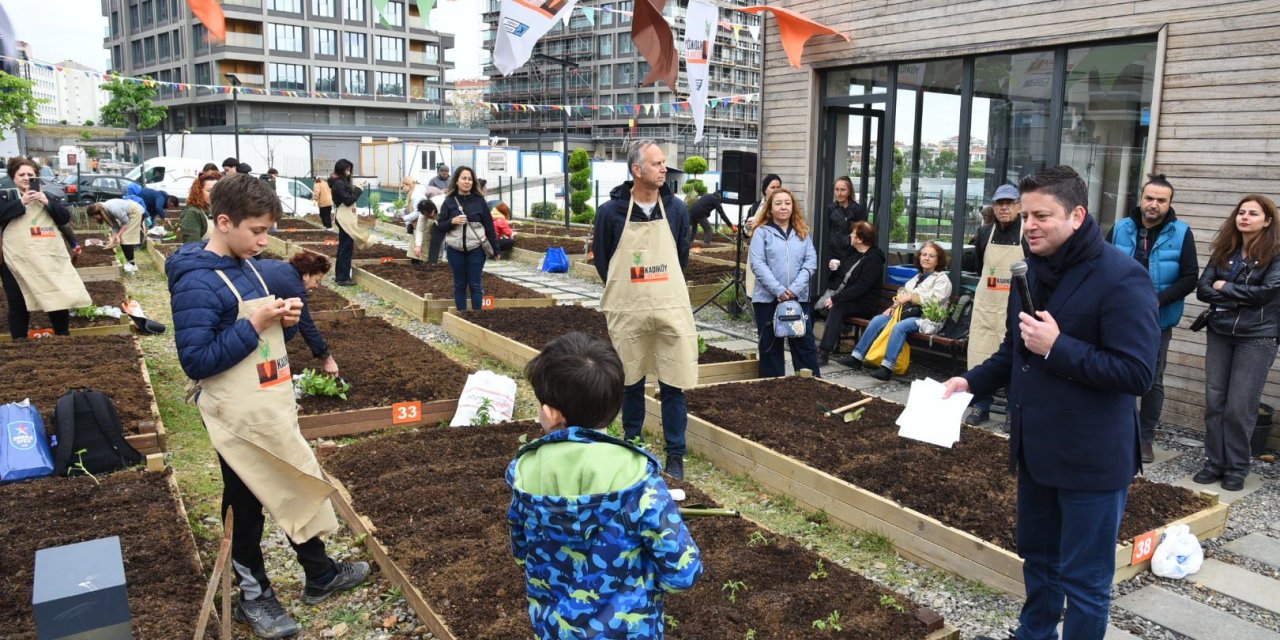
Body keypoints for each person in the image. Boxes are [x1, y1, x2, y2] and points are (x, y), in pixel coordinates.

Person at [947, 166, 1158, 640]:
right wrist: (970, 382)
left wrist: (1059, 346)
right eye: (1025, 216)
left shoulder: (1123, 278)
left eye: (1042, 215)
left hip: (1090, 463)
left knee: (1085, 581)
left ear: (1077, 215)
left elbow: (1137, 373)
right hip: (1037, 455)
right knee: (1039, 564)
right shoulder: (1029, 271)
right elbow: (1014, 349)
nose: (1030, 226)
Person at [167, 174, 369, 638]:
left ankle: (319, 574)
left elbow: (264, 342)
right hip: (236, 417)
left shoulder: (247, 266)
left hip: (270, 404)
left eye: (267, 230)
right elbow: (196, 359)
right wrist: (255, 323)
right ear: (223, 222)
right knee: (246, 502)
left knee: (294, 481)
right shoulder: (197, 283)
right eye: (256, 231)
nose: (264, 240)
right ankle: (254, 596)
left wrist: (286, 322)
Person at [507, 332, 702, 640]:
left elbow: (520, 552)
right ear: (615, 407)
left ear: (550, 414)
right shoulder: (637, 475)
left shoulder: (525, 472)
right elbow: (683, 572)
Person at [593, 139, 696, 480]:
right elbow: (606, 263)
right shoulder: (611, 212)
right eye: (656, 163)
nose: (663, 168)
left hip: (669, 306)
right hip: (630, 308)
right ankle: (633, 444)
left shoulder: (677, 209)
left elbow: (681, 257)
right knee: (631, 381)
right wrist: (631, 291)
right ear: (637, 170)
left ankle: (675, 456)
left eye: (663, 162)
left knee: (673, 382)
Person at [1105, 174, 1198, 462]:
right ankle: (1117, 431)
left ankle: (1145, 438)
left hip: (1158, 320)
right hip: (1117, 317)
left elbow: (1190, 277)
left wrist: (1154, 301)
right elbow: (1100, 265)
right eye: (1149, 198)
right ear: (1141, 198)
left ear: (1169, 203)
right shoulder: (1121, 228)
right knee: (1113, 373)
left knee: (1152, 380)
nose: (1154, 204)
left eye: (1161, 200)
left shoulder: (1181, 233)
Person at [1193, 194, 1280, 493]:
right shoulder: (1224, 250)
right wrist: (1237, 292)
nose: (1244, 217)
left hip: (1257, 337)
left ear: (1267, 221)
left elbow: (1267, 292)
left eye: (1253, 213)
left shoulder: (1276, 254)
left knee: (1239, 408)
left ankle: (1237, 467)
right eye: (1241, 212)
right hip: (1219, 332)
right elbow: (1203, 289)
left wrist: (1226, 286)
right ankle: (1214, 463)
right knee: (1215, 402)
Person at [0, 157, 91, 339]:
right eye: (22, 175)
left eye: (30, 175)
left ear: (37, 177)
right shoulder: (6, 197)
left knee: (56, 295)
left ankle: (62, 336)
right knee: (18, 300)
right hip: (15, 260)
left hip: (47, 257)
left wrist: (47, 202)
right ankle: (19, 341)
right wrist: (22, 202)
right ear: (13, 177)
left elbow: (64, 218)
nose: (26, 178)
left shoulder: (47, 197)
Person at [964, 184, 1030, 426]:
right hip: (987, 308)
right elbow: (981, 265)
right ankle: (980, 406)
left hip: (1015, 308)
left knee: (1016, 357)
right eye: (1000, 204)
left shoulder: (1026, 234)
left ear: (1019, 207)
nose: (1004, 208)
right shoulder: (984, 233)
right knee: (981, 356)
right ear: (994, 207)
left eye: (1009, 204)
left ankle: (1015, 411)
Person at [843, 242, 951, 380]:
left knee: (900, 327)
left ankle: (887, 368)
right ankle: (856, 358)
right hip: (906, 313)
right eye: (924, 255)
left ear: (938, 260)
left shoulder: (942, 279)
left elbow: (936, 300)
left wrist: (912, 297)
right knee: (878, 320)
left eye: (931, 256)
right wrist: (892, 308)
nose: (926, 258)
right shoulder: (916, 278)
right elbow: (902, 297)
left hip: (927, 318)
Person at [750, 186, 821, 377]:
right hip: (767, 300)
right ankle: (773, 388)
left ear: (793, 207)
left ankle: (811, 387)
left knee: (804, 344)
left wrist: (795, 289)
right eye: (778, 203)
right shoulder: (761, 233)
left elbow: (810, 262)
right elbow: (757, 264)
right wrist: (779, 290)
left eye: (787, 203)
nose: (783, 207)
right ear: (770, 208)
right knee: (770, 347)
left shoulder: (802, 233)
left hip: (799, 299)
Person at [257, 251, 340, 377]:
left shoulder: (281, 266)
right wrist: (327, 359)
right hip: (249, 312)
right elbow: (307, 326)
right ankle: (267, 358)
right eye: (317, 280)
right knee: (293, 321)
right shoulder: (294, 287)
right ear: (306, 275)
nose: (317, 286)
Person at [817, 221, 886, 365]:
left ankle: (824, 352)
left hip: (864, 304)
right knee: (811, 303)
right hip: (846, 298)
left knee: (837, 308)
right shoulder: (852, 252)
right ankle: (807, 346)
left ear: (860, 239)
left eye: (853, 234)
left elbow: (861, 288)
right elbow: (840, 278)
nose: (850, 235)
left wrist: (835, 299)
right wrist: (834, 269)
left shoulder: (874, 259)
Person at [437, 165, 497, 310]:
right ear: (456, 180)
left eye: (470, 179)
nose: (467, 182)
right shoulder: (449, 201)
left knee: (475, 283)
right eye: (464, 178)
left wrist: (496, 249)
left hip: (476, 248)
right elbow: (440, 225)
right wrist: (452, 221)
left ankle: (478, 318)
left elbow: (489, 225)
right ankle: (462, 316)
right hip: (455, 250)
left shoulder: (479, 200)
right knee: (460, 284)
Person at [328, 159, 367, 286]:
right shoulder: (339, 183)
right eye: (347, 169)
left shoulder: (340, 182)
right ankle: (343, 278)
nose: (349, 172)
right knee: (346, 248)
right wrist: (358, 190)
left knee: (344, 246)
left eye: (350, 169)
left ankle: (340, 275)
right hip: (344, 217)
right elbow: (348, 200)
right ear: (342, 170)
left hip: (345, 216)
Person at [87, 198, 146, 272]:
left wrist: (118, 235)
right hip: (129, 214)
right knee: (122, 237)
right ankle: (130, 262)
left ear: (98, 213)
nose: (96, 219)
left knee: (124, 237)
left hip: (136, 212)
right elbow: (115, 226)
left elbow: (125, 222)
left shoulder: (114, 209)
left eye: (95, 217)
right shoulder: (105, 210)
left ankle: (132, 265)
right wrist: (113, 239)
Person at [825, 176, 867, 267]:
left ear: (849, 191)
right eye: (836, 189)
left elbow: (863, 234)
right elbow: (829, 230)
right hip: (834, 255)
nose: (839, 193)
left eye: (843, 190)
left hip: (852, 254)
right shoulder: (831, 208)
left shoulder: (858, 210)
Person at [179, 170, 222, 244]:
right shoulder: (193, 213)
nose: (214, 194)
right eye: (209, 191)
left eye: (217, 190)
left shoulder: (218, 210)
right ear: (199, 192)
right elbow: (192, 247)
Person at [412, 192, 447, 265]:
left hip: (454, 217)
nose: (428, 217)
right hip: (440, 221)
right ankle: (432, 264)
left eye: (430, 215)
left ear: (434, 210)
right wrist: (418, 245)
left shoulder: (444, 203)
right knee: (435, 238)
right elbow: (420, 229)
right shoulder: (424, 212)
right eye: (426, 216)